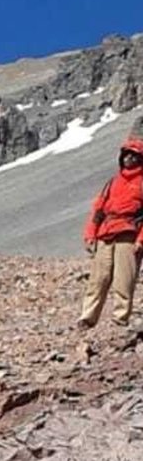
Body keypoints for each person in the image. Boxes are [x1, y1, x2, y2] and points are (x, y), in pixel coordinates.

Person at [79, 137, 143, 328]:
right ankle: (87, 317)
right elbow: (98, 210)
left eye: (134, 155)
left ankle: (119, 318)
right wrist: (90, 234)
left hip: (129, 236)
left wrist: (141, 240)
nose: (129, 158)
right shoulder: (112, 183)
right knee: (98, 278)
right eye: (126, 154)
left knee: (124, 279)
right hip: (106, 234)